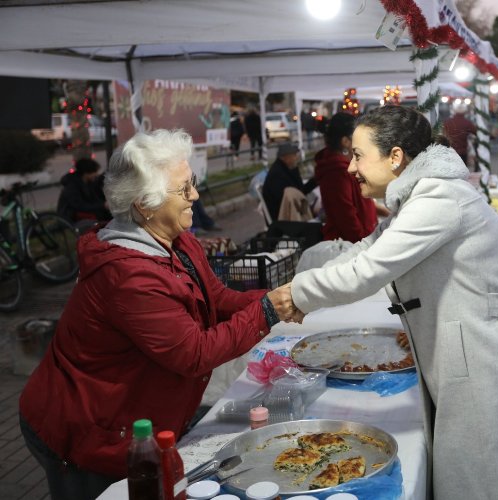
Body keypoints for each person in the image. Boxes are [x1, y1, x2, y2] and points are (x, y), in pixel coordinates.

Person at [285, 106, 498, 499]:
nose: (351, 167)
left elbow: (367, 270)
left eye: (358, 155)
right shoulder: (421, 193)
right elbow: (367, 249)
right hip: (473, 346)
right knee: (486, 473)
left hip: (488, 358)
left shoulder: (439, 198)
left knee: (489, 478)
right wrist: (297, 287)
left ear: (396, 157)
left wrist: (291, 297)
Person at [18, 129, 298, 500]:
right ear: (144, 204)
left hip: (125, 418)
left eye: (192, 183)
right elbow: (193, 354)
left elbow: (216, 298)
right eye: (184, 189)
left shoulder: (176, 240)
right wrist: (268, 310)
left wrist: (280, 299)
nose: (195, 196)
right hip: (86, 428)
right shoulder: (128, 275)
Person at [314, 112, 378, 242]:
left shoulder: (343, 166)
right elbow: (346, 217)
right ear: (345, 141)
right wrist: (364, 242)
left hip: (360, 241)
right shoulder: (336, 172)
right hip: (350, 246)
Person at [261, 142, 317, 221]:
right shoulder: (277, 175)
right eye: (294, 155)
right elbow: (288, 200)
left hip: (291, 211)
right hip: (282, 216)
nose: (296, 157)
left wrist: (315, 180)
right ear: (285, 157)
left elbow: (300, 192)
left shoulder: (288, 168)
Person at [56, 157, 111, 226]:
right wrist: (102, 205)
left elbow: (94, 199)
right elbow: (79, 205)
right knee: (101, 215)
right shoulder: (72, 185)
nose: (96, 174)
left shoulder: (87, 182)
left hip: (80, 212)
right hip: (70, 216)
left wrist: (104, 204)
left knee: (106, 213)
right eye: (94, 171)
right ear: (86, 173)